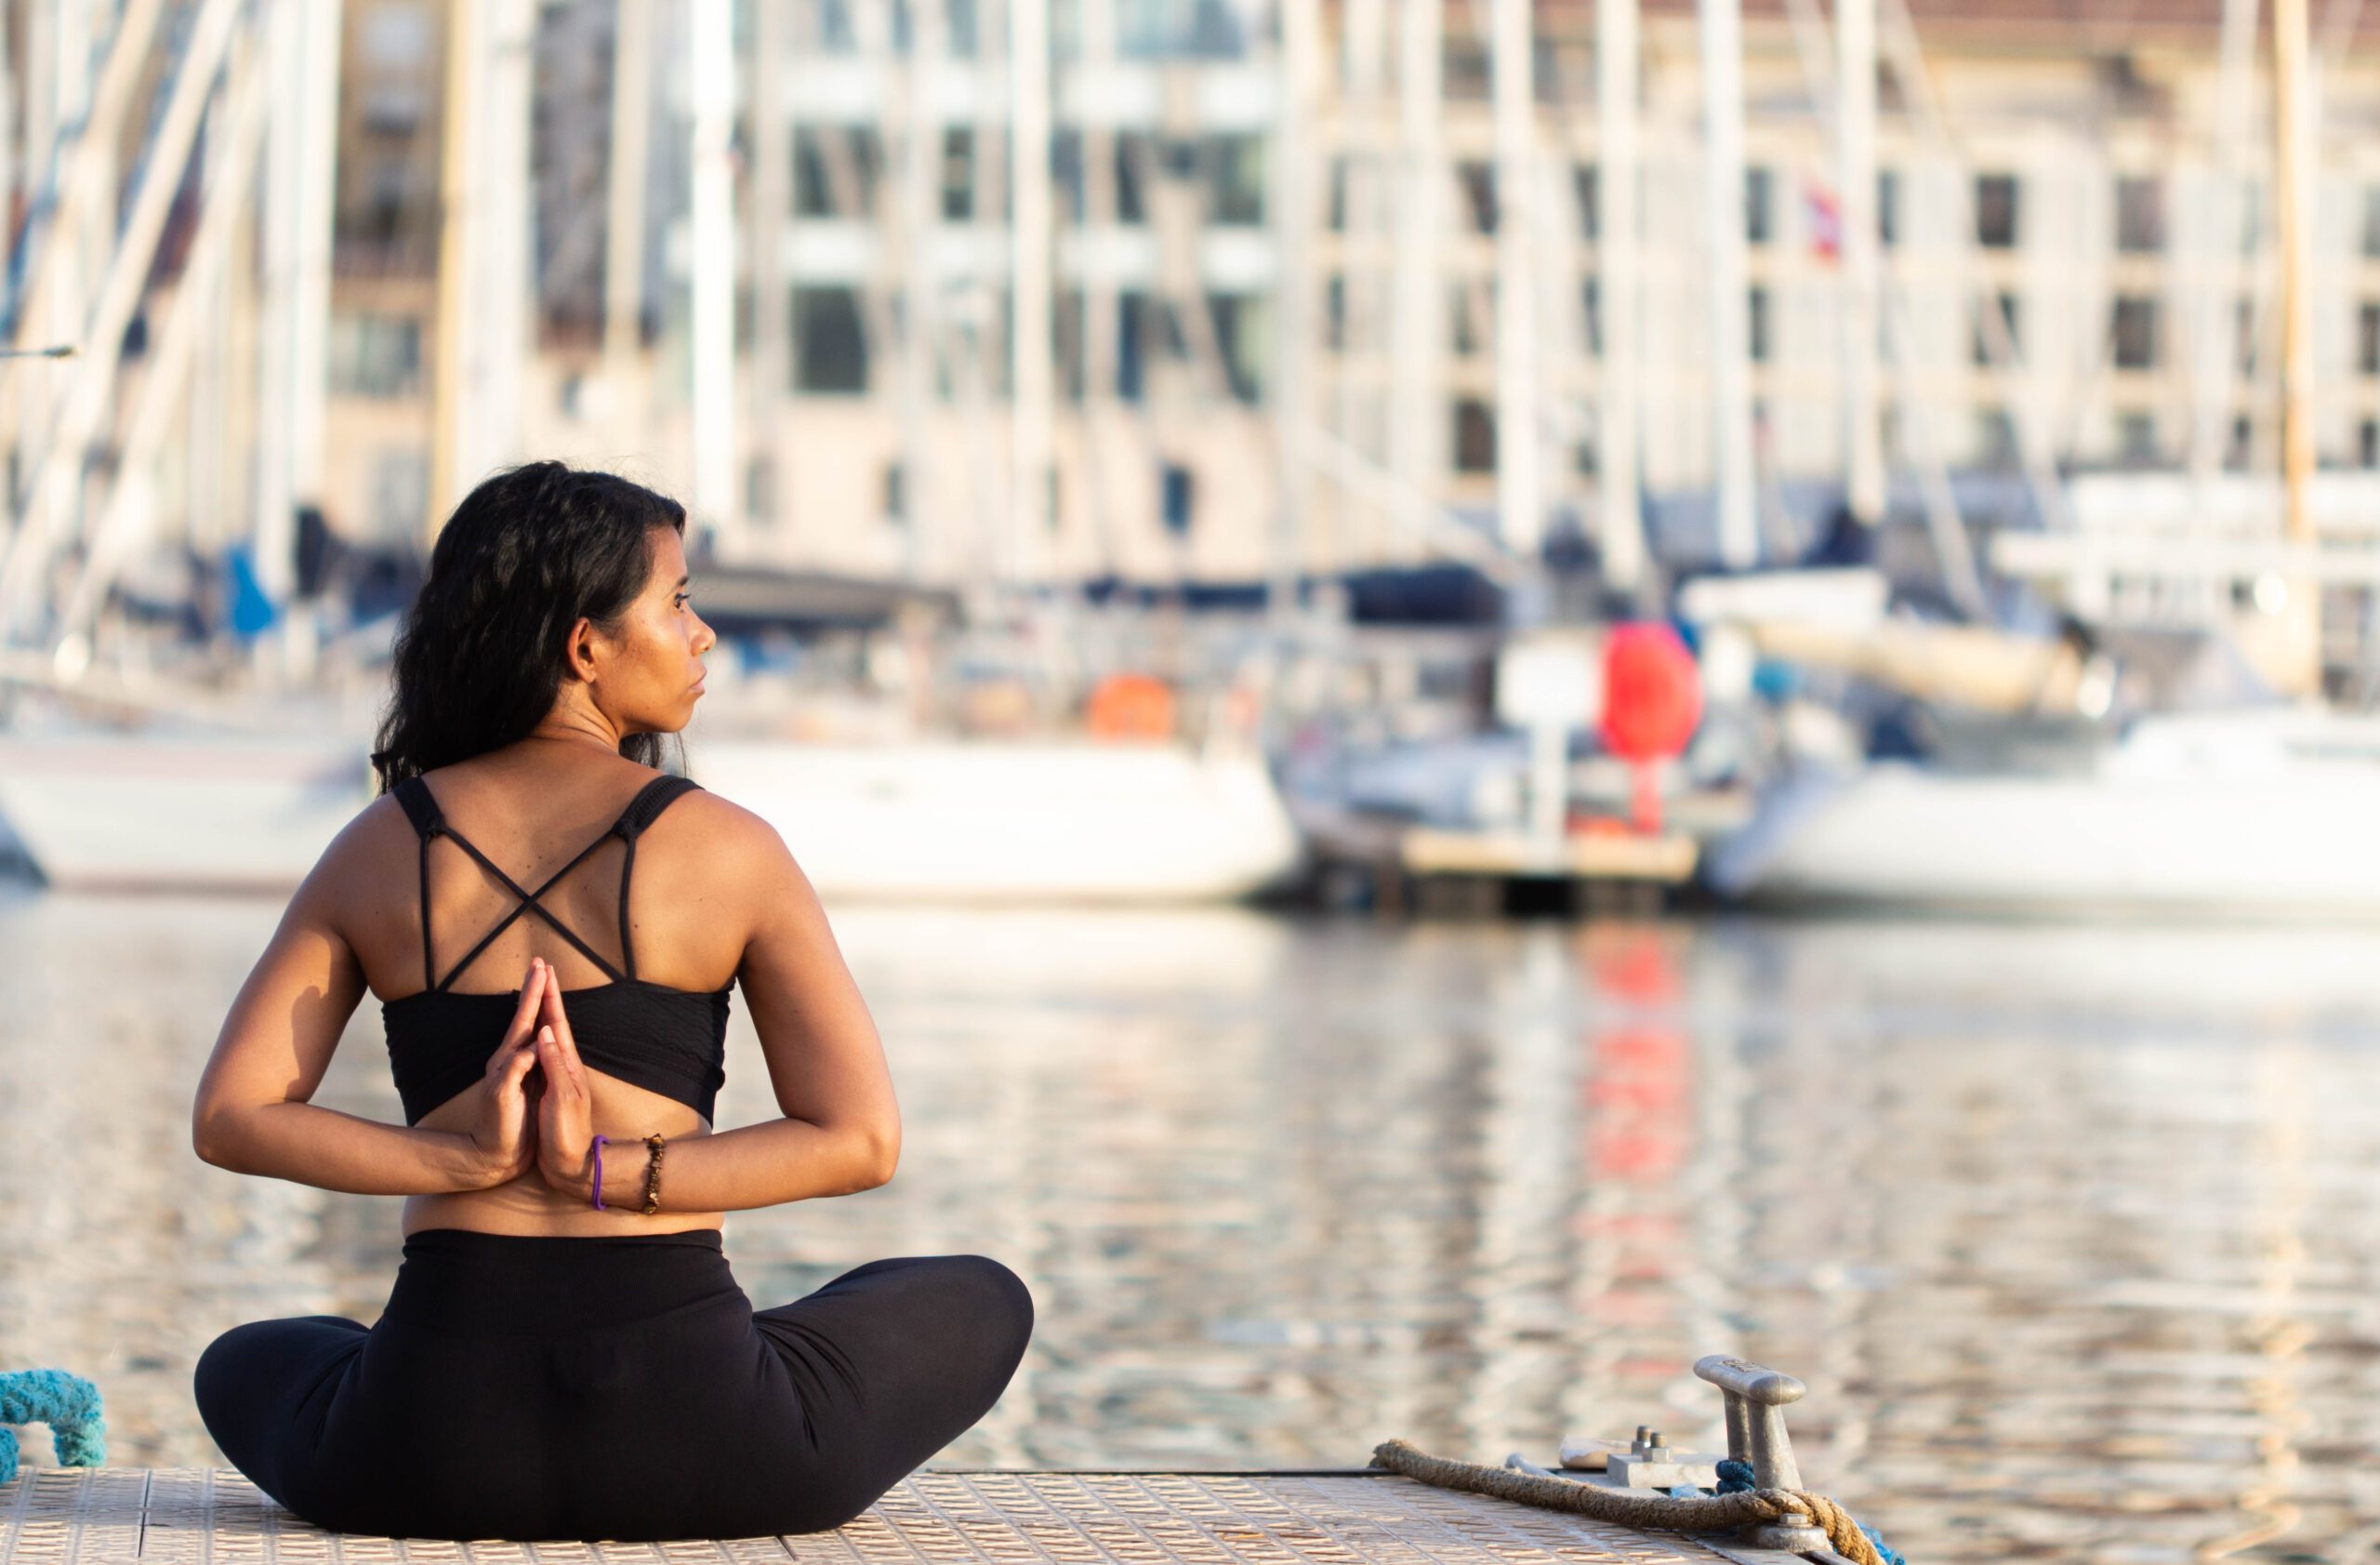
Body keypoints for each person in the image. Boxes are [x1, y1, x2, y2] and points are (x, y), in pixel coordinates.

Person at [189, 463, 1032, 1543]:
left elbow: (231, 1119)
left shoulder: (379, 846)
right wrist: (614, 1171)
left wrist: (459, 1162)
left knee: (247, 1357)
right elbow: (860, 1141)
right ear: (586, 647)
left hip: (422, 1445)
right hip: (717, 1442)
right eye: (677, 603)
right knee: (980, 1292)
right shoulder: (729, 849)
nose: (703, 634)